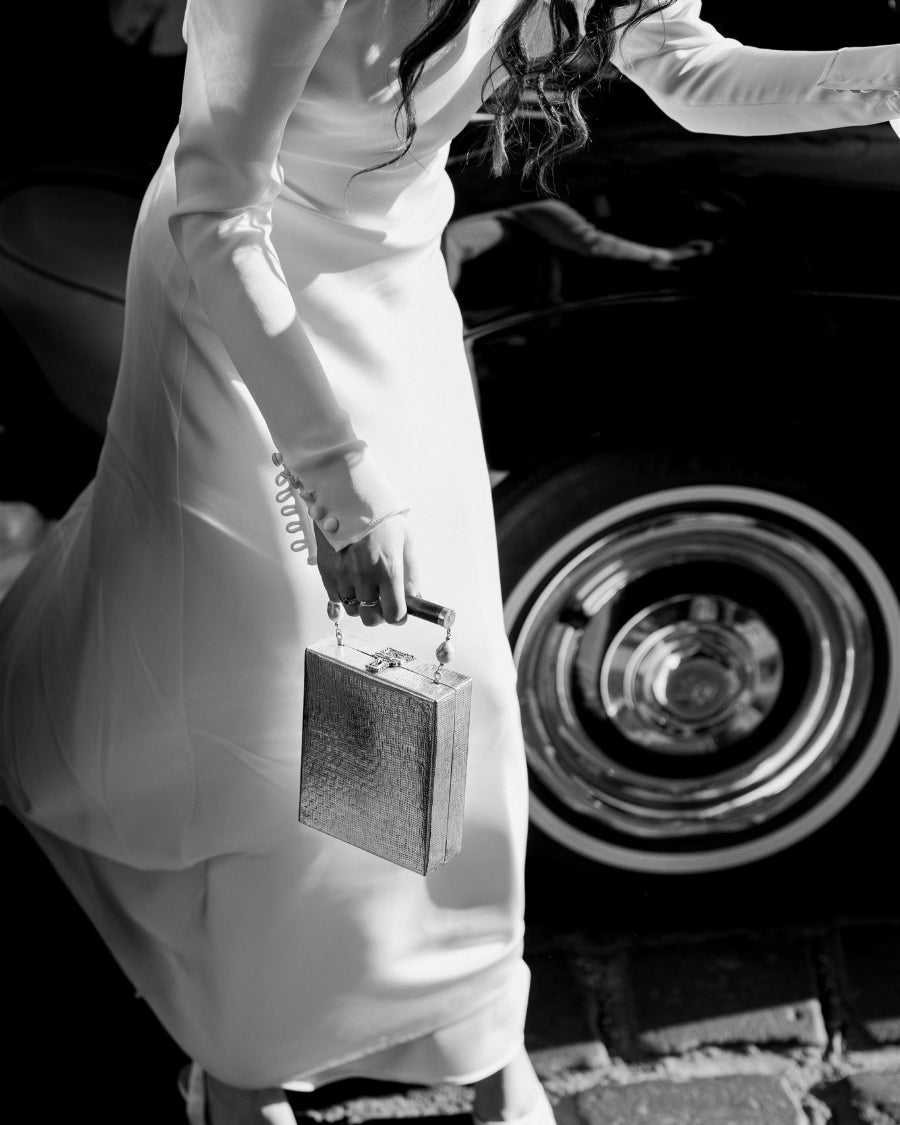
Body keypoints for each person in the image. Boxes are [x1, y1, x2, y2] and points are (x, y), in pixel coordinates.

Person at [1, 1, 898, 1123]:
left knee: (424, 689)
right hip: (240, 326)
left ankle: (470, 1028)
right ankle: (247, 1052)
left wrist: (883, 78)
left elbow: (682, 64)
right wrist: (334, 472)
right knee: (272, 702)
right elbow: (218, 206)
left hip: (391, 303)